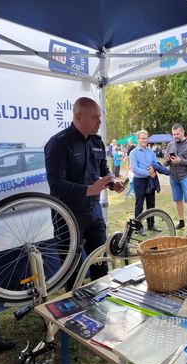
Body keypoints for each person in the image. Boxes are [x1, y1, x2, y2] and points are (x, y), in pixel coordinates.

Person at [45, 97, 123, 288]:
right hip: (68, 215)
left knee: (101, 263)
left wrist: (112, 182)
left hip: (94, 213)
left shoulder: (97, 141)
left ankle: (101, 307)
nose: (99, 122)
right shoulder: (58, 143)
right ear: (78, 117)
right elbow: (56, 185)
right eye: (94, 117)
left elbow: (104, 170)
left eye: (99, 117)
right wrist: (88, 189)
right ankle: (74, 312)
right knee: (73, 272)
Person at [163, 123, 187, 229]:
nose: (175, 136)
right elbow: (165, 163)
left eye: (177, 134)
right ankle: (181, 221)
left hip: (186, 176)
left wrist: (181, 161)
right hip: (173, 177)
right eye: (173, 134)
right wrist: (167, 160)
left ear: (183, 132)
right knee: (178, 199)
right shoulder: (170, 145)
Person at [129, 130, 162, 235]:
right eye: (142, 138)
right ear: (138, 139)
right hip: (139, 181)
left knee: (151, 204)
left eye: (146, 138)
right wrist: (148, 173)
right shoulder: (133, 153)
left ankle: (151, 226)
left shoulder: (151, 152)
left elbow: (156, 163)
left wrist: (154, 169)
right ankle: (138, 228)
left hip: (150, 181)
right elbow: (135, 169)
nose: (144, 140)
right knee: (139, 205)